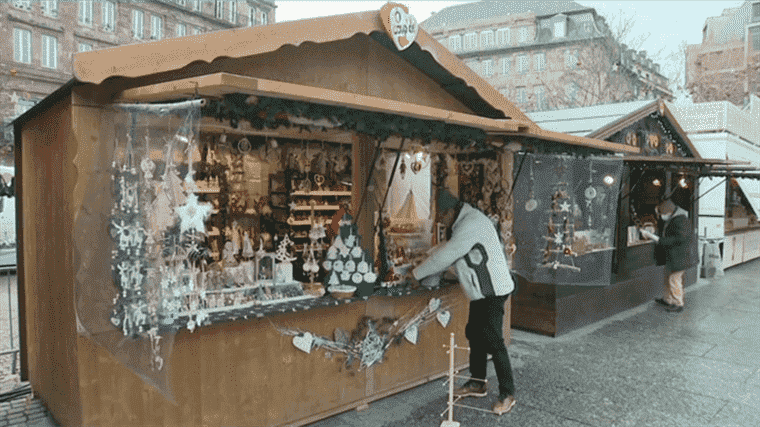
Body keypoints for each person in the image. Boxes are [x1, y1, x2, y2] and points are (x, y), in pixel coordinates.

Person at [406, 187, 516, 416]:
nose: (442, 222)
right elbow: (448, 249)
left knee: (494, 340)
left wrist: (416, 274)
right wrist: (427, 256)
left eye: (442, 217)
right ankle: (477, 383)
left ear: (450, 212)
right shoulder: (464, 221)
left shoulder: (471, 223)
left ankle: (507, 394)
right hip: (481, 292)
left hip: (493, 291)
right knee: (475, 333)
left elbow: (450, 253)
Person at [640, 199, 697, 313]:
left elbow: (679, 239)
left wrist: (656, 238)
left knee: (674, 280)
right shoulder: (675, 218)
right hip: (674, 256)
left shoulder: (681, 220)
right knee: (668, 277)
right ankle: (668, 300)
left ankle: (678, 303)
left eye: (661, 213)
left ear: (668, 212)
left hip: (680, 257)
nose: (661, 216)